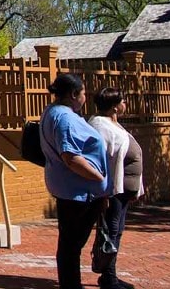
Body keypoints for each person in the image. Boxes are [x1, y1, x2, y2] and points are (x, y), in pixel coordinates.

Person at [41, 73, 110, 289]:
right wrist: (98, 177)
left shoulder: (53, 112)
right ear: (73, 94)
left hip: (72, 189)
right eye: (82, 94)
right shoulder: (65, 119)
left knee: (70, 244)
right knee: (71, 245)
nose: (84, 98)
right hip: (78, 192)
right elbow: (70, 157)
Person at [89, 86, 145, 289]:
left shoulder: (113, 123)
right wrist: (103, 192)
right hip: (111, 192)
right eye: (123, 101)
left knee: (116, 231)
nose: (125, 104)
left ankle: (110, 275)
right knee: (109, 233)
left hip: (122, 192)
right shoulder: (100, 126)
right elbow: (100, 160)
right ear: (114, 106)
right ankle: (108, 277)